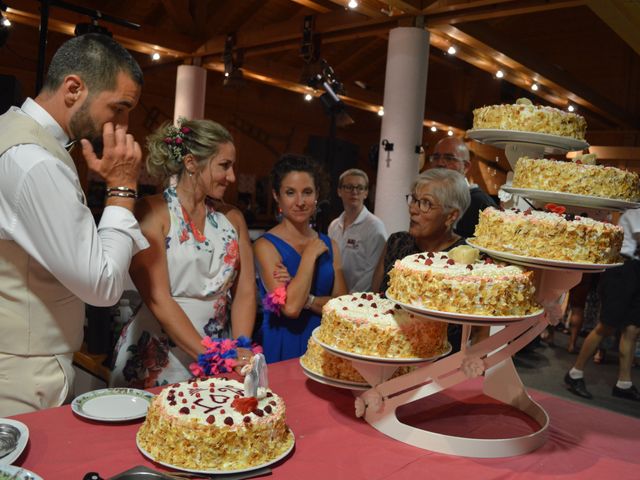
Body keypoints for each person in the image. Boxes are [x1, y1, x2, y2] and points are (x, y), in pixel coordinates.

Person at [0, 34, 146, 416]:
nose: (124, 124)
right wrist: (122, 188)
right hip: (21, 372)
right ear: (73, 88)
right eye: (120, 107)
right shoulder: (36, 163)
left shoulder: (12, 132)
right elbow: (102, 285)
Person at [110, 119, 256, 388]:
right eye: (224, 165)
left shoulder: (233, 218)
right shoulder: (152, 212)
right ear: (191, 163)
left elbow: (245, 291)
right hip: (159, 355)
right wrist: (212, 357)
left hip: (222, 355)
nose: (232, 177)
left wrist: (241, 348)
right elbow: (158, 298)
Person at [254, 154, 348, 363]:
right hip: (282, 343)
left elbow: (343, 307)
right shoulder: (265, 245)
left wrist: (307, 299)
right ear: (277, 196)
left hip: (323, 343)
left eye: (307, 192)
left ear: (317, 196)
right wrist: (308, 257)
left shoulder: (329, 244)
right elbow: (291, 308)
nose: (300, 202)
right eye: (290, 193)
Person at [371, 168, 470, 352]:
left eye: (426, 203)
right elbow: (375, 299)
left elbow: (477, 330)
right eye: (414, 199)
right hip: (389, 353)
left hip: (443, 364)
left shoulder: (465, 258)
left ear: (451, 216)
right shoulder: (397, 243)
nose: (413, 209)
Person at [564, 208, 640, 401]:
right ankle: (575, 373)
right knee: (606, 325)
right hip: (622, 270)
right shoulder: (635, 212)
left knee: (632, 329)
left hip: (635, 271)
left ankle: (624, 383)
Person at [328, 168, 388, 292]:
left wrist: (349, 299)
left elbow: (373, 271)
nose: (354, 192)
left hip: (358, 301)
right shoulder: (334, 226)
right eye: (349, 187)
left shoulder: (374, 227)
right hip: (334, 296)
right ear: (339, 191)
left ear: (366, 193)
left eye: (360, 188)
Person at [428, 136, 497, 238]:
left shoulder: (483, 205)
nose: (440, 163)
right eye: (436, 157)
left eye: (449, 158)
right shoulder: (429, 197)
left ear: (466, 166)